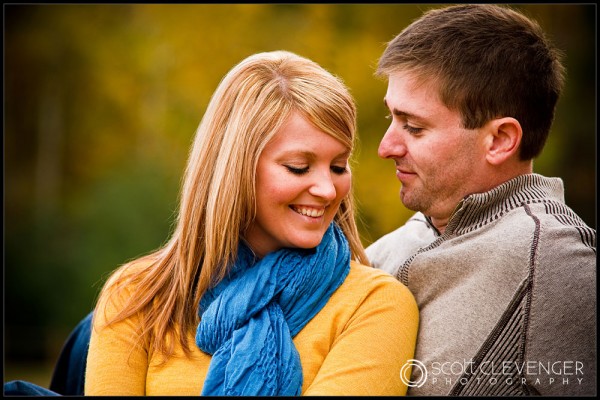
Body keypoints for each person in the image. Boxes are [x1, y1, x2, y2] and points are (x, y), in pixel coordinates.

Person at [83, 50, 418, 396]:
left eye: (338, 166)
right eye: (298, 167)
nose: (327, 189)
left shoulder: (377, 305)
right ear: (235, 170)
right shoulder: (136, 296)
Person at [365, 4, 596, 397]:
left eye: (414, 127)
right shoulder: (382, 252)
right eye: (392, 119)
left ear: (500, 140)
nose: (386, 147)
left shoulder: (562, 269)